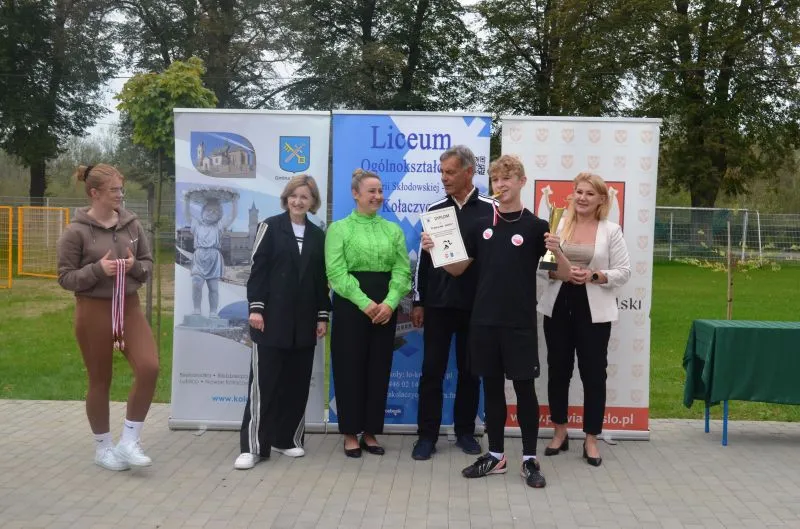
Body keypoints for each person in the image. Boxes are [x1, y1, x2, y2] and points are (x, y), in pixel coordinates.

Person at [421, 155, 567, 488]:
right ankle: (496, 455)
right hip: (484, 321)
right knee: (491, 389)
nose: (500, 185)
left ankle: (529, 459)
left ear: (521, 182)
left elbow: (559, 273)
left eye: (507, 179)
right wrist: (434, 251)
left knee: (524, 390)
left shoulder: (536, 227)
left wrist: (557, 250)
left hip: (519, 323)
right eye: (496, 180)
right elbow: (458, 268)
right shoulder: (481, 224)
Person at [56, 164, 159, 471]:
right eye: (114, 190)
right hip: (93, 311)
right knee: (100, 380)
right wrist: (97, 270)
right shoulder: (75, 232)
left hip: (129, 307)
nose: (120, 195)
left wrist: (134, 267)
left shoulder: (131, 224)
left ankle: (129, 442)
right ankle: (103, 449)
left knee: (149, 367)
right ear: (94, 193)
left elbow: (148, 264)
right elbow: (65, 277)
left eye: (121, 189)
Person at [234, 175, 330, 470]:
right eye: (293, 196)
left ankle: (286, 439)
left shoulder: (318, 235)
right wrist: (256, 308)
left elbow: (320, 280)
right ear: (286, 198)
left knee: (297, 384)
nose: (298, 201)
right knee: (264, 385)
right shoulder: (270, 227)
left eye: (304, 197)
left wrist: (322, 315)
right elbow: (258, 270)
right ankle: (253, 446)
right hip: (270, 320)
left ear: (313, 202)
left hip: (304, 322)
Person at [538, 172, 631, 467]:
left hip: (594, 308)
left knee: (593, 374)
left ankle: (591, 438)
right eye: (579, 192)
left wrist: (593, 275)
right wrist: (561, 273)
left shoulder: (611, 231)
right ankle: (560, 431)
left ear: (601, 199)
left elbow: (624, 271)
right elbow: (543, 267)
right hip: (559, 303)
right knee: (558, 370)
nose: (582, 198)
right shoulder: (558, 225)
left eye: (590, 193)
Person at [410, 145, 495, 460]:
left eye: (450, 172)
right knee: (431, 371)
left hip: (477, 306)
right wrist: (419, 301)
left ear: (468, 172)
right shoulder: (435, 210)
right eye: (441, 172)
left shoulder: (491, 209)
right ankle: (426, 436)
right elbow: (423, 262)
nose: (444, 178)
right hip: (438, 305)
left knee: (471, 372)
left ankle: (465, 432)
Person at [326, 168, 411, 458]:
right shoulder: (339, 229)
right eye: (371, 191)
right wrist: (365, 303)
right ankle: (350, 433)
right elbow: (336, 272)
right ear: (355, 194)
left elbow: (402, 270)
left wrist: (389, 303)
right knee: (349, 368)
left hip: (385, 309)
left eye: (380, 191)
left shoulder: (393, 230)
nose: (377, 196)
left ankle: (371, 432)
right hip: (351, 307)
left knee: (378, 369)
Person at [184, 194, 237, 318]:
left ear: (219, 215)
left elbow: (232, 216)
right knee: (196, 284)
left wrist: (235, 202)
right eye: (209, 210)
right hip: (199, 257)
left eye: (215, 211)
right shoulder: (197, 225)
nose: (211, 213)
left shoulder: (218, 226)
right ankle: (196, 309)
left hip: (214, 258)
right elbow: (187, 215)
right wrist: (186, 201)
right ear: (203, 212)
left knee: (213, 288)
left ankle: (213, 311)